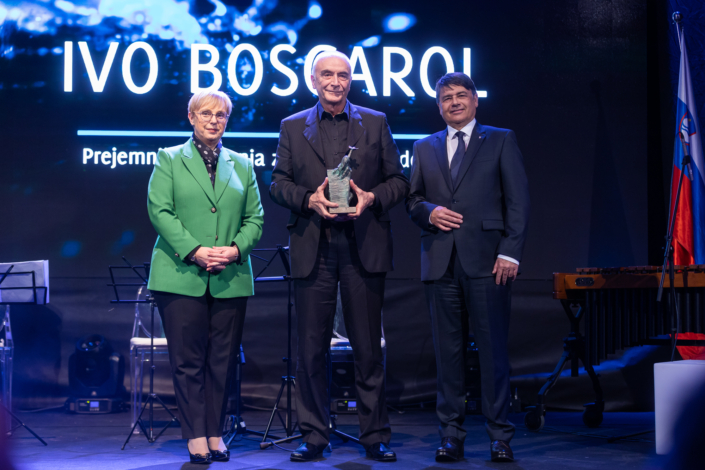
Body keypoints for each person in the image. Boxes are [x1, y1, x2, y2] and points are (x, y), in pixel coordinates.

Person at [270, 51, 409, 462]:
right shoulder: (292, 126)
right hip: (314, 247)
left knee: (368, 349)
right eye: (327, 74)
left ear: (351, 80)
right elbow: (278, 183)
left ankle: (374, 435)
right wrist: (307, 199)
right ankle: (314, 435)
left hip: (363, 246)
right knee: (312, 350)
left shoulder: (376, 122)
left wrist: (372, 197)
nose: (335, 81)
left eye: (343, 75)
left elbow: (398, 181)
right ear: (313, 80)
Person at [405, 72, 529, 463]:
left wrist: (510, 252)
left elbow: (518, 201)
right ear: (438, 106)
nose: (454, 102)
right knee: (448, 356)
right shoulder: (423, 147)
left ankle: (500, 436)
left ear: (476, 100)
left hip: (489, 262)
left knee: (493, 353)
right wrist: (429, 212)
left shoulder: (501, 139)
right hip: (440, 263)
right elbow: (412, 200)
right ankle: (451, 436)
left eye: (461, 95)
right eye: (447, 98)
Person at [147, 90, 264, 465]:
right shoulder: (169, 158)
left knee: (223, 362)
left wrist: (234, 250)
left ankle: (215, 433)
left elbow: (255, 219)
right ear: (191, 117)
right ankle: (196, 435)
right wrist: (195, 250)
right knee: (187, 361)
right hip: (180, 274)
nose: (214, 120)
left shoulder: (242, 164)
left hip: (230, 275)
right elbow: (160, 211)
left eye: (221, 115)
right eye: (206, 113)